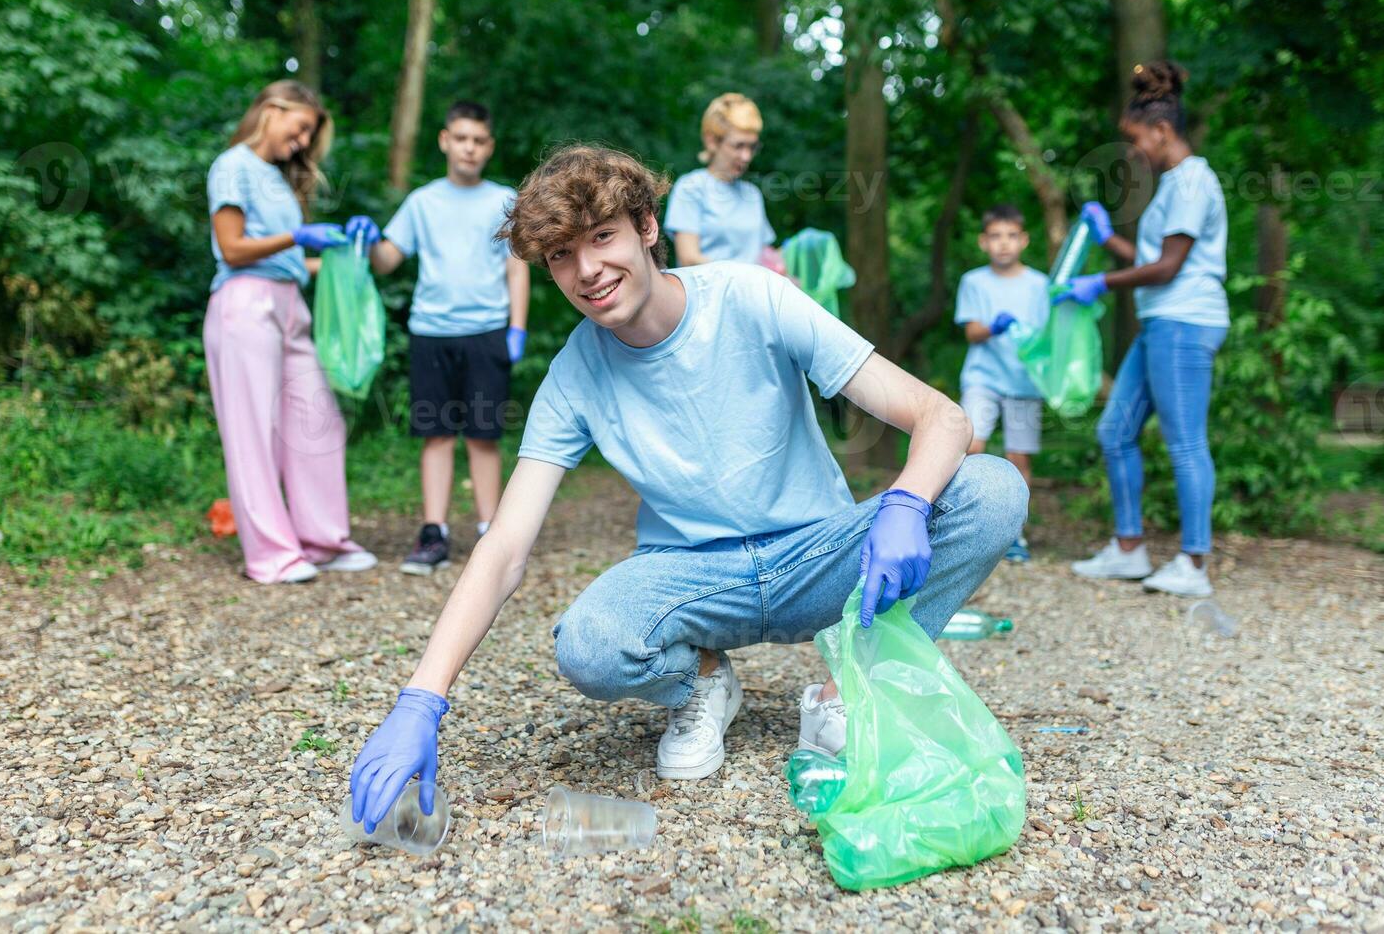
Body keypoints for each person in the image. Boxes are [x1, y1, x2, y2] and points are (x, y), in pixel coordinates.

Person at [347, 145, 1027, 832]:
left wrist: (907, 504)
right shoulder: (575, 373)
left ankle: (851, 686)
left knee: (992, 489)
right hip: (696, 580)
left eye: (603, 237)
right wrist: (420, 702)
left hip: (818, 557)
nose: (587, 271)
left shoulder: (750, 295)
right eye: (560, 256)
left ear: (646, 227)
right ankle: (701, 679)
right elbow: (504, 550)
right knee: (589, 642)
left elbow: (943, 417)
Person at [1058, 61, 1229, 597]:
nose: (1134, 153)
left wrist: (1101, 282)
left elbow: (1169, 268)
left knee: (1184, 443)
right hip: (1162, 321)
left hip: (1185, 321)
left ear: (1161, 131)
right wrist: (1108, 240)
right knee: (1115, 430)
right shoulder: (1174, 185)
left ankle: (1194, 565)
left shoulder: (1194, 183)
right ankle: (1129, 551)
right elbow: (1155, 258)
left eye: (1135, 142)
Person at [203, 79, 377, 585]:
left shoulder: (278, 181)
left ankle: (322, 541)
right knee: (251, 433)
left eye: (307, 136)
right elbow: (232, 248)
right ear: (273, 110)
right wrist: (298, 235)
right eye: (300, 129)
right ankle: (272, 556)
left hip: (288, 303)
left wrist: (345, 251)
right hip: (245, 302)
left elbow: (293, 262)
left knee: (316, 419)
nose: (301, 144)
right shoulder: (232, 165)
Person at [347, 101, 530, 574]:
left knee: (484, 435)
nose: (469, 147)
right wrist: (366, 242)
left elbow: (518, 269)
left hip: (488, 332)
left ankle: (492, 533)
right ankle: (434, 534)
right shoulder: (422, 201)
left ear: (488, 147)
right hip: (431, 332)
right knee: (435, 433)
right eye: (461, 138)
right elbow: (388, 260)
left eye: (479, 140)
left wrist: (517, 327)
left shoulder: (504, 200)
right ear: (445, 141)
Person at [953, 205, 1050, 563]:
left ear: (1023, 241)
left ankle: (1013, 535)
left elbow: (1047, 336)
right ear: (983, 242)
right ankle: (964, 529)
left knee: (1018, 457)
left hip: (1025, 383)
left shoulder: (1040, 285)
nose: (1003, 244)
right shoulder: (974, 282)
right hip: (984, 380)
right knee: (971, 446)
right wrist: (995, 325)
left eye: (1011, 236)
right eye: (995, 236)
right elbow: (972, 332)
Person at [664, 93, 776, 268]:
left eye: (752, 147)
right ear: (711, 141)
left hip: (753, 294)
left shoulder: (752, 194)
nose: (746, 157)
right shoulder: (691, 187)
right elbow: (689, 259)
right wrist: (746, 278)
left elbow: (765, 255)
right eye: (738, 146)